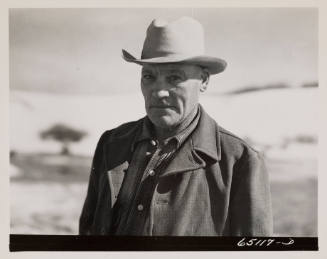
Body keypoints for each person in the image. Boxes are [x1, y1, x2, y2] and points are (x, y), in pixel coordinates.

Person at [79, 16, 273, 236]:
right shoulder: (111, 143)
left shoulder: (239, 161)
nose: (158, 91)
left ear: (204, 81)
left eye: (174, 78)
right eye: (149, 76)